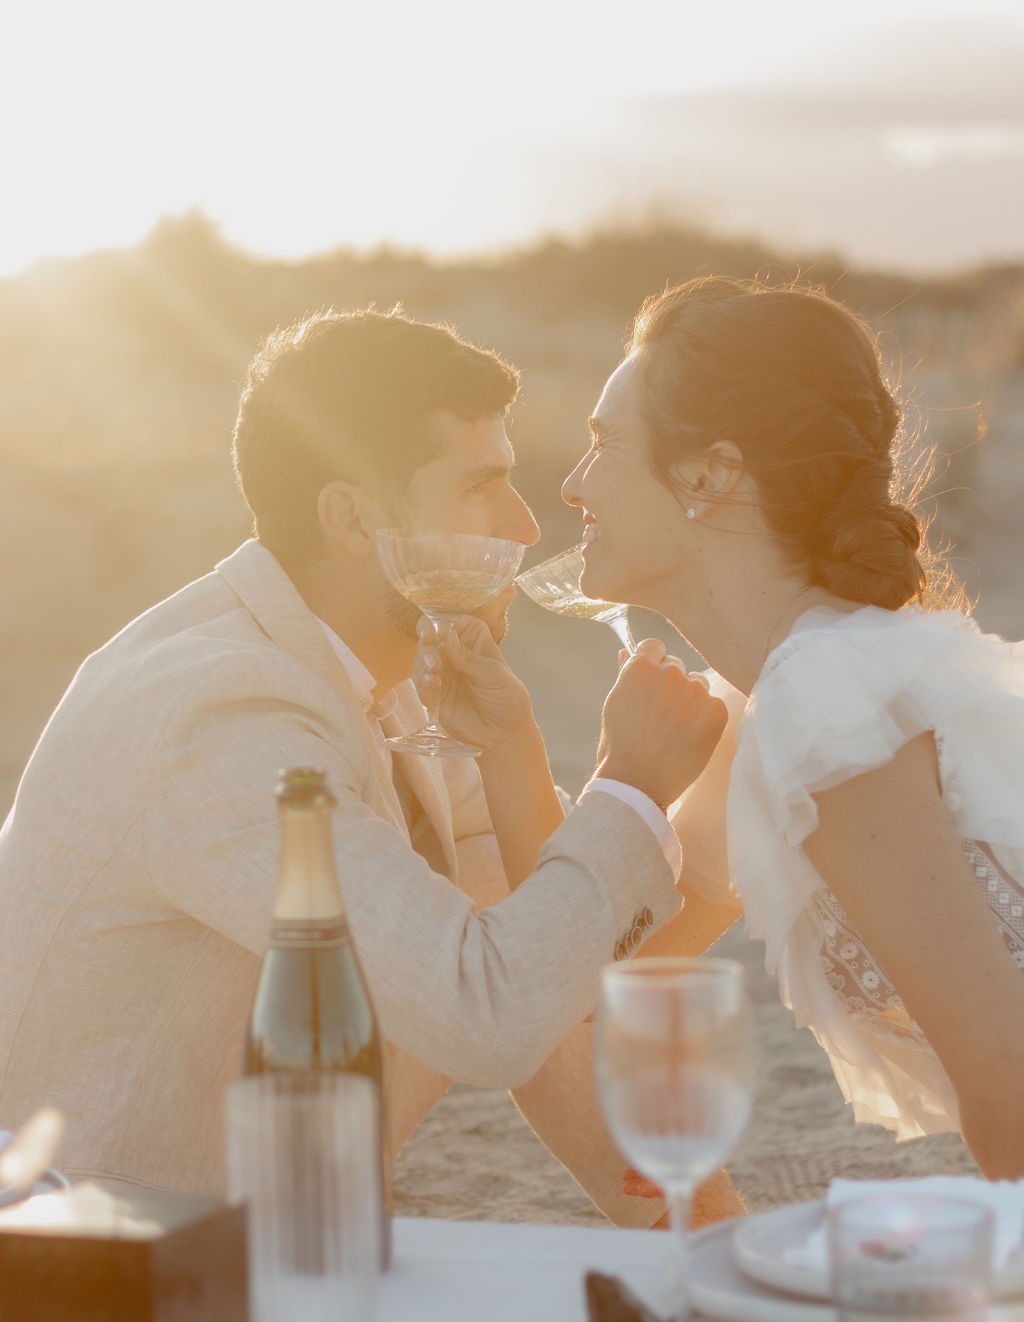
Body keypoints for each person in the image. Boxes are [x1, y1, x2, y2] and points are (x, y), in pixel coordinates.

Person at [0, 305, 739, 1224]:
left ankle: (705, 1254)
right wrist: (630, 785)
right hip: (90, 1261)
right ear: (351, 519)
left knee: (498, 892)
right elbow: (491, 1010)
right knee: (497, 935)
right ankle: (717, 1269)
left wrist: (519, 747)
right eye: (481, 486)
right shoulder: (220, 711)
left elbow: (541, 916)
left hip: (270, 1218)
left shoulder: (371, 665)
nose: (521, 523)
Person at [551, 274, 1024, 1182]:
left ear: (709, 476)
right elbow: (581, 982)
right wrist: (531, 758)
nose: (573, 484)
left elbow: (1008, 1083)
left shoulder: (828, 697)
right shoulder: (766, 709)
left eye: (602, 443)